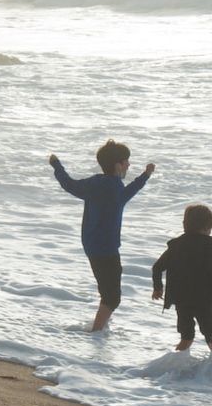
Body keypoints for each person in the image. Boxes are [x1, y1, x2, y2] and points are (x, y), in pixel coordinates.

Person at [49, 139, 155, 331]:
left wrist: (57, 165)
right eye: (126, 161)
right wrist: (145, 176)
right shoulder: (114, 187)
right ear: (118, 165)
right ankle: (96, 333)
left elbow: (68, 184)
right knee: (112, 298)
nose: (128, 165)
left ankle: (100, 327)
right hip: (106, 247)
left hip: (91, 244)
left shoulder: (94, 182)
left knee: (109, 291)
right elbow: (128, 193)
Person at [151, 204, 212, 352]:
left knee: (186, 336)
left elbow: (157, 267)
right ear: (204, 227)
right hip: (202, 299)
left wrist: (158, 288)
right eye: (209, 229)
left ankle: (175, 364)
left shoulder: (176, 244)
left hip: (181, 299)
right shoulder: (209, 244)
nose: (210, 232)